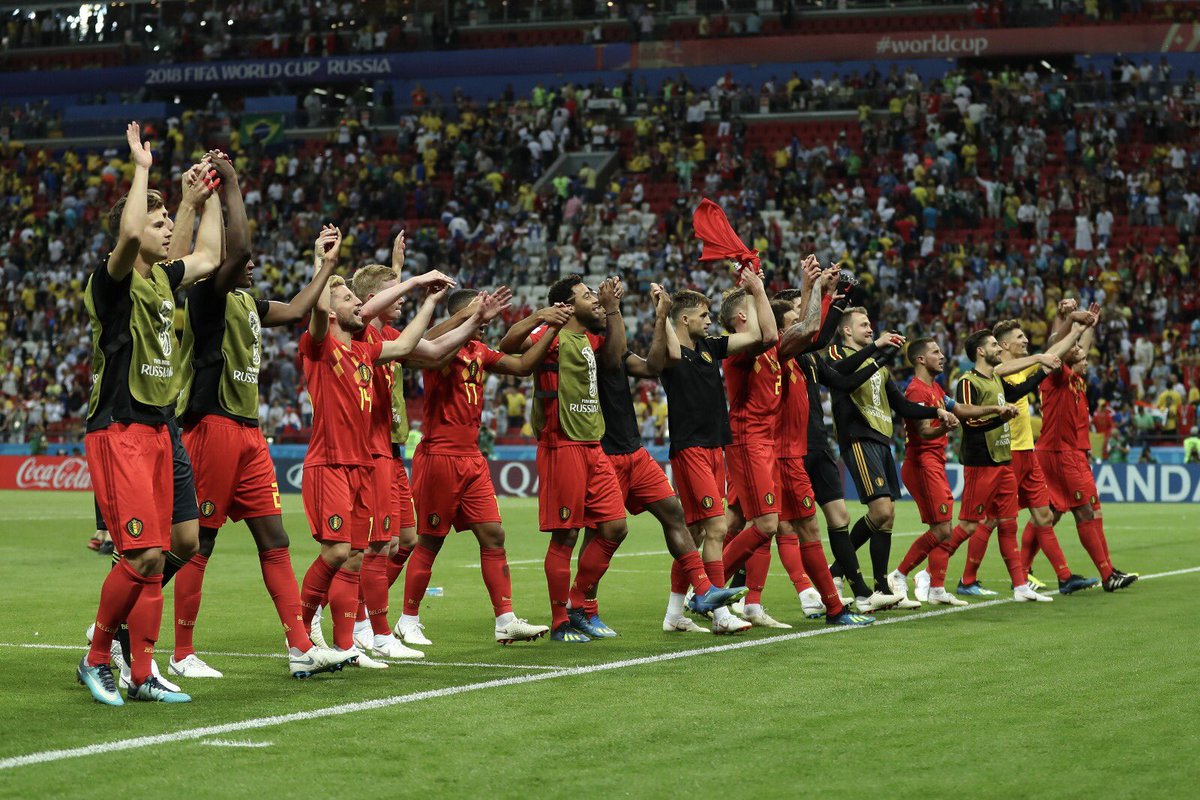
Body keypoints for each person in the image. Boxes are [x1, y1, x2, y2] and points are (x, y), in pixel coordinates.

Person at [78, 123, 224, 705]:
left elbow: (210, 255)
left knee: (169, 548)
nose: (168, 232)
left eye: (169, 223)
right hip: (120, 427)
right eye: (159, 223)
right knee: (141, 553)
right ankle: (97, 657)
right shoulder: (111, 282)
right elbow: (134, 231)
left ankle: (141, 673)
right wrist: (141, 168)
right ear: (133, 230)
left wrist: (209, 195)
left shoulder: (163, 280)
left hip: (159, 426)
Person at [171, 220, 354, 679]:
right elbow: (239, 251)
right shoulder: (206, 298)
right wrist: (228, 182)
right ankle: (180, 651)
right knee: (201, 542)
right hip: (211, 426)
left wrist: (325, 265)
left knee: (276, 540)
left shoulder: (246, 302)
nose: (252, 263)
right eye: (243, 259)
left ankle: (299, 646)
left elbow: (295, 311)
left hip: (250, 434)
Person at [295, 267, 489, 666]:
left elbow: (405, 348)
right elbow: (320, 309)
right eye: (349, 299)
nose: (358, 305)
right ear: (330, 312)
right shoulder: (318, 346)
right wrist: (323, 265)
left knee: (357, 553)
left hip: (362, 464)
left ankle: (347, 644)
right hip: (331, 463)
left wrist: (432, 302)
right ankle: (303, 632)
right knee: (338, 554)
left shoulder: (362, 351)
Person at [384, 287, 559, 644]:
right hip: (439, 458)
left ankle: (505, 619)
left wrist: (549, 325)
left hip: (472, 459)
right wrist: (471, 314)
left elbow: (524, 367)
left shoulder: (480, 351)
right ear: (464, 314)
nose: (486, 321)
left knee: (494, 534)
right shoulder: (438, 352)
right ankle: (408, 619)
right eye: (479, 314)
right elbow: (420, 340)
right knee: (430, 541)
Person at [584, 278, 747, 635]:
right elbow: (633, 358)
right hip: (603, 453)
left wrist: (660, 317)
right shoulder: (584, 348)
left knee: (681, 520)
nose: (599, 307)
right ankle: (579, 607)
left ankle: (696, 601)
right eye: (591, 303)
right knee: (600, 533)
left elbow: (651, 366)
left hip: (634, 449)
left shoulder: (616, 347)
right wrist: (614, 308)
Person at [930, 303, 1101, 597]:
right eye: (1019, 338)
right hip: (1000, 454)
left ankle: (1057, 578)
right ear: (1003, 345)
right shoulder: (996, 371)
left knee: (1038, 516)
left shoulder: (1022, 370)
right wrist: (1062, 331)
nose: (1025, 341)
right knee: (985, 520)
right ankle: (947, 575)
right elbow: (1038, 355)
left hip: (1025, 451)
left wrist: (1078, 328)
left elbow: (1054, 351)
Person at [497, 275, 630, 643]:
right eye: (588, 296)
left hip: (592, 442)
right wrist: (542, 317)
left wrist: (614, 308)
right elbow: (507, 346)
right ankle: (560, 621)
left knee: (615, 527)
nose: (596, 300)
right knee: (566, 535)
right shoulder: (550, 336)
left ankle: (576, 602)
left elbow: (616, 358)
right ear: (568, 306)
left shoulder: (591, 338)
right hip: (561, 443)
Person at [823, 307, 957, 609]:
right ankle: (836, 570)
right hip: (858, 436)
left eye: (871, 323)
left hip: (881, 440)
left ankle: (882, 586)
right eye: (864, 324)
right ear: (847, 330)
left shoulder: (878, 367)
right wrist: (877, 349)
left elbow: (903, 406)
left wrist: (935, 411)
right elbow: (842, 378)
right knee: (881, 511)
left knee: (888, 516)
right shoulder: (836, 352)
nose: (870, 328)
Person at [654, 285, 762, 635]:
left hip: (716, 446)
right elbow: (669, 344)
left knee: (696, 531)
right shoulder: (669, 353)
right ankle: (720, 614)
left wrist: (756, 289)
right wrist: (662, 311)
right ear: (684, 319)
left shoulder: (710, 347)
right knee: (717, 528)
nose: (709, 320)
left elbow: (759, 334)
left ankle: (673, 614)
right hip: (691, 449)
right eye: (702, 315)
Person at [770, 273, 876, 627]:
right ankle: (728, 590)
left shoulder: (811, 357)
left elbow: (841, 378)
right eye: (800, 310)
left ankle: (839, 590)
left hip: (816, 442)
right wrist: (835, 295)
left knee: (819, 522)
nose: (808, 315)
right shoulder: (788, 349)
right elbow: (819, 332)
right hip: (784, 448)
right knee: (772, 525)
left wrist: (875, 353)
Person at [892, 338, 1018, 606]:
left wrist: (995, 410)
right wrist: (945, 428)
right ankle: (900, 574)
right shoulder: (916, 391)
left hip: (934, 462)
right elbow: (924, 431)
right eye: (936, 352)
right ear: (920, 359)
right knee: (942, 529)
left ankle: (937, 588)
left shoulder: (935, 388)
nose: (942, 356)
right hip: (922, 462)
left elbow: (960, 409)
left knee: (944, 528)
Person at [936, 330, 1057, 603]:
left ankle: (1020, 586)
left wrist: (1044, 372)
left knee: (1008, 523)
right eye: (993, 345)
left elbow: (1018, 391)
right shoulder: (968, 381)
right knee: (968, 525)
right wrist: (998, 415)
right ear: (980, 351)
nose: (997, 349)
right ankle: (931, 576)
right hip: (981, 460)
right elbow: (967, 420)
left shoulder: (997, 381)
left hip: (1003, 459)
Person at [1036, 321, 1139, 592]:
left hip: (1074, 453)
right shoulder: (1059, 376)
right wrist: (1069, 324)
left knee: (1067, 513)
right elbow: (1059, 349)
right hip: (1060, 454)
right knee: (1076, 512)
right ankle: (1107, 575)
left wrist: (1089, 325)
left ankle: (1107, 568)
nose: (1086, 360)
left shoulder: (1076, 380)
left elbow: (1081, 347)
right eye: (1080, 356)